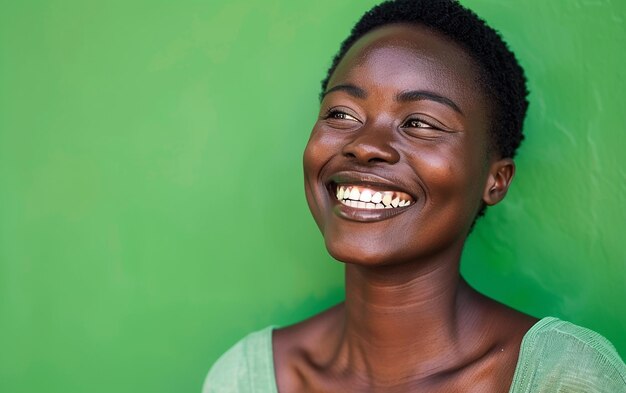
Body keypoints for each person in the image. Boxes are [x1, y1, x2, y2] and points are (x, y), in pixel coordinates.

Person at [203, 0, 626, 391]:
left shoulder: (563, 376)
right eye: (341, 113)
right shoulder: (245, 378)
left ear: (494, 180)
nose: (365, 145)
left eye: (421, 122)